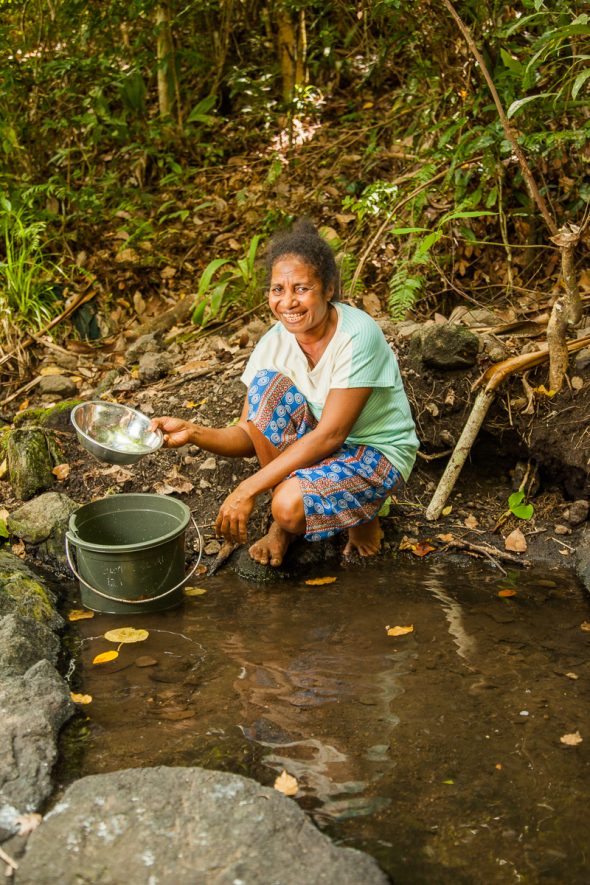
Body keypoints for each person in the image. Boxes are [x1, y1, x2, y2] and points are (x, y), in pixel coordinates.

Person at [151, 220, 419, 567]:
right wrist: (194, 433)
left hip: (376, 451)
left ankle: (354, 517)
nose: (287, 301)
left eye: (302, 288)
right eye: (278, 289)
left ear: (328, 289)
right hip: (323, 447)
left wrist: (247, 489)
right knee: (265, 384)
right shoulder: (273, 343)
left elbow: (332, 434)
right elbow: (251, 431)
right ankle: (290, 524)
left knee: (288, 507)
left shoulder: (357, 334)